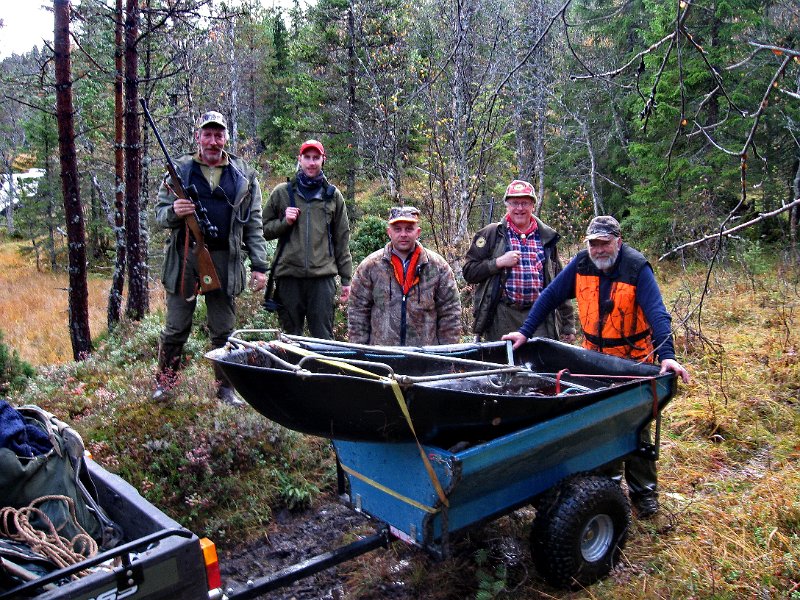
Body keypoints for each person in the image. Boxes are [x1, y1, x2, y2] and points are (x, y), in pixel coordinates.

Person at [503, 215, 690, 518]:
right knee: (599, 423)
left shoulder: (636, 268)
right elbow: (549, 296)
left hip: (634, 361)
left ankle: (644, 493)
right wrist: (525, 331)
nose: (599, 249)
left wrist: (666, 355)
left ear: (618, 240)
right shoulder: (581, 264)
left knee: (636, 425)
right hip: (593, 362)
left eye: (604, 243)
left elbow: (657, 312)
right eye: (593, 243)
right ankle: (608, 483)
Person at [153, 110, 268, 405]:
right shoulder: (179, 170)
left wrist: (259, 265)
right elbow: (158, 216)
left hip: (225, 259)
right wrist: (174, 213)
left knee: (225, 331)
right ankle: (165, 385)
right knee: (176, 328)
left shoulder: (243, 173)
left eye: (218, 135)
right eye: (207, 134)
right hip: (184, 260)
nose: (213, 141)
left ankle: (226, 389)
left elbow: (253, 222)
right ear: (198, 137)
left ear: (226, 138)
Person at [463, 179, 575, 342]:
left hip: (539, 317)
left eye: (525, 203)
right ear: (507, 206)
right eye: (515, 203)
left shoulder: (547, 238)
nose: (520, 208)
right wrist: (498, 263)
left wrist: (567, 325)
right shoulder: (492, 234)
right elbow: (469, 272)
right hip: (502, 316)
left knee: (539, 365)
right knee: (503, 366)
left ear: (533, 206)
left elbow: (560, 284)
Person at [263, 140, 353, 339]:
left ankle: (321, 370)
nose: (311, 163)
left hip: (322, 279)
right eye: (307, 158)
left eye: (316, 158)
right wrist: (284, 222)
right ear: (300, 160)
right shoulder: (282, 193)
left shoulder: (333, 196)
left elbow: (342, 239)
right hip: (289, 278)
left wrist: (346, 279)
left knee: (323, 340)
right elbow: (263, 229)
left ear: (323, 160)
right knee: (289, 338)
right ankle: (290, 371)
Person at [348, 206, 462, 346]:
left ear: (418, 232)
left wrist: (447, 354)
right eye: (397, 229)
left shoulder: (438, 266)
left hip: (426, 358)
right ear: (389, 232)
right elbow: (357, 312)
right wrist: (359, 351)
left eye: (409, 229)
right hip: (381, 356)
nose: (403, 234)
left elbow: (450, 312)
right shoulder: (370, 266)